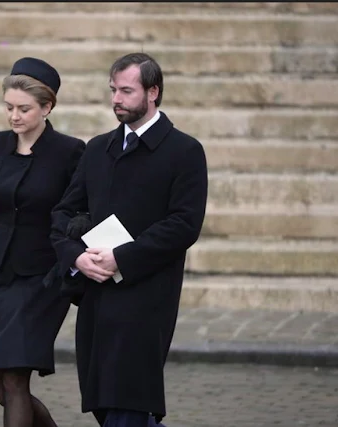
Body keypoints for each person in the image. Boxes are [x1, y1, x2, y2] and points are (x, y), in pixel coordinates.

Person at [50, 52, 209, 426]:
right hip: (95, 293)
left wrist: (122, 257)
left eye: (126, 90)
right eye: (112, 90)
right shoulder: (97, 148)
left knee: (129, 403)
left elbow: (185, 224)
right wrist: (76, 258)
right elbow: (63, 213)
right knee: (105, 404)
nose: (116, 99)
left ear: (153, 92)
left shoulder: (185, 151)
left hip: (147, 294)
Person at [0, 57, 86, 427]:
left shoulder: (70, 151)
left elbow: (80, 211)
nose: (14, 116)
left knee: (14, 381)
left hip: (42, 281)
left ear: (47, 107)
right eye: (8, 107)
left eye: (24, 109)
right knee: (6, 392)